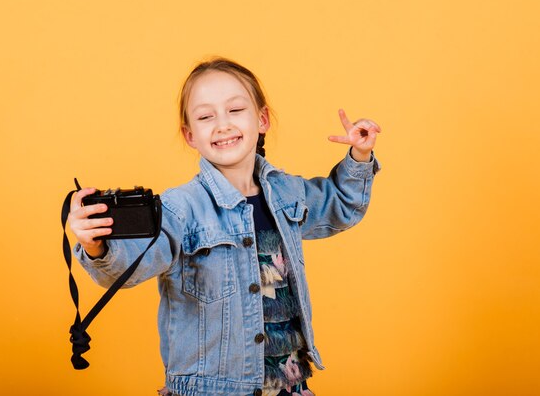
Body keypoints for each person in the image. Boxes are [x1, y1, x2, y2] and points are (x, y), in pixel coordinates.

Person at [68, 57, 381, 396]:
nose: (222, 124)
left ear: (261, 120)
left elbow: (340, 205)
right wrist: (96, 245)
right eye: (205, 116)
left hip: (289, 386)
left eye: (235, 110)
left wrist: (359, 156)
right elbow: (129, 266)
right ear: (191, 135)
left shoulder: (286, 193)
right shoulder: (181, 208)